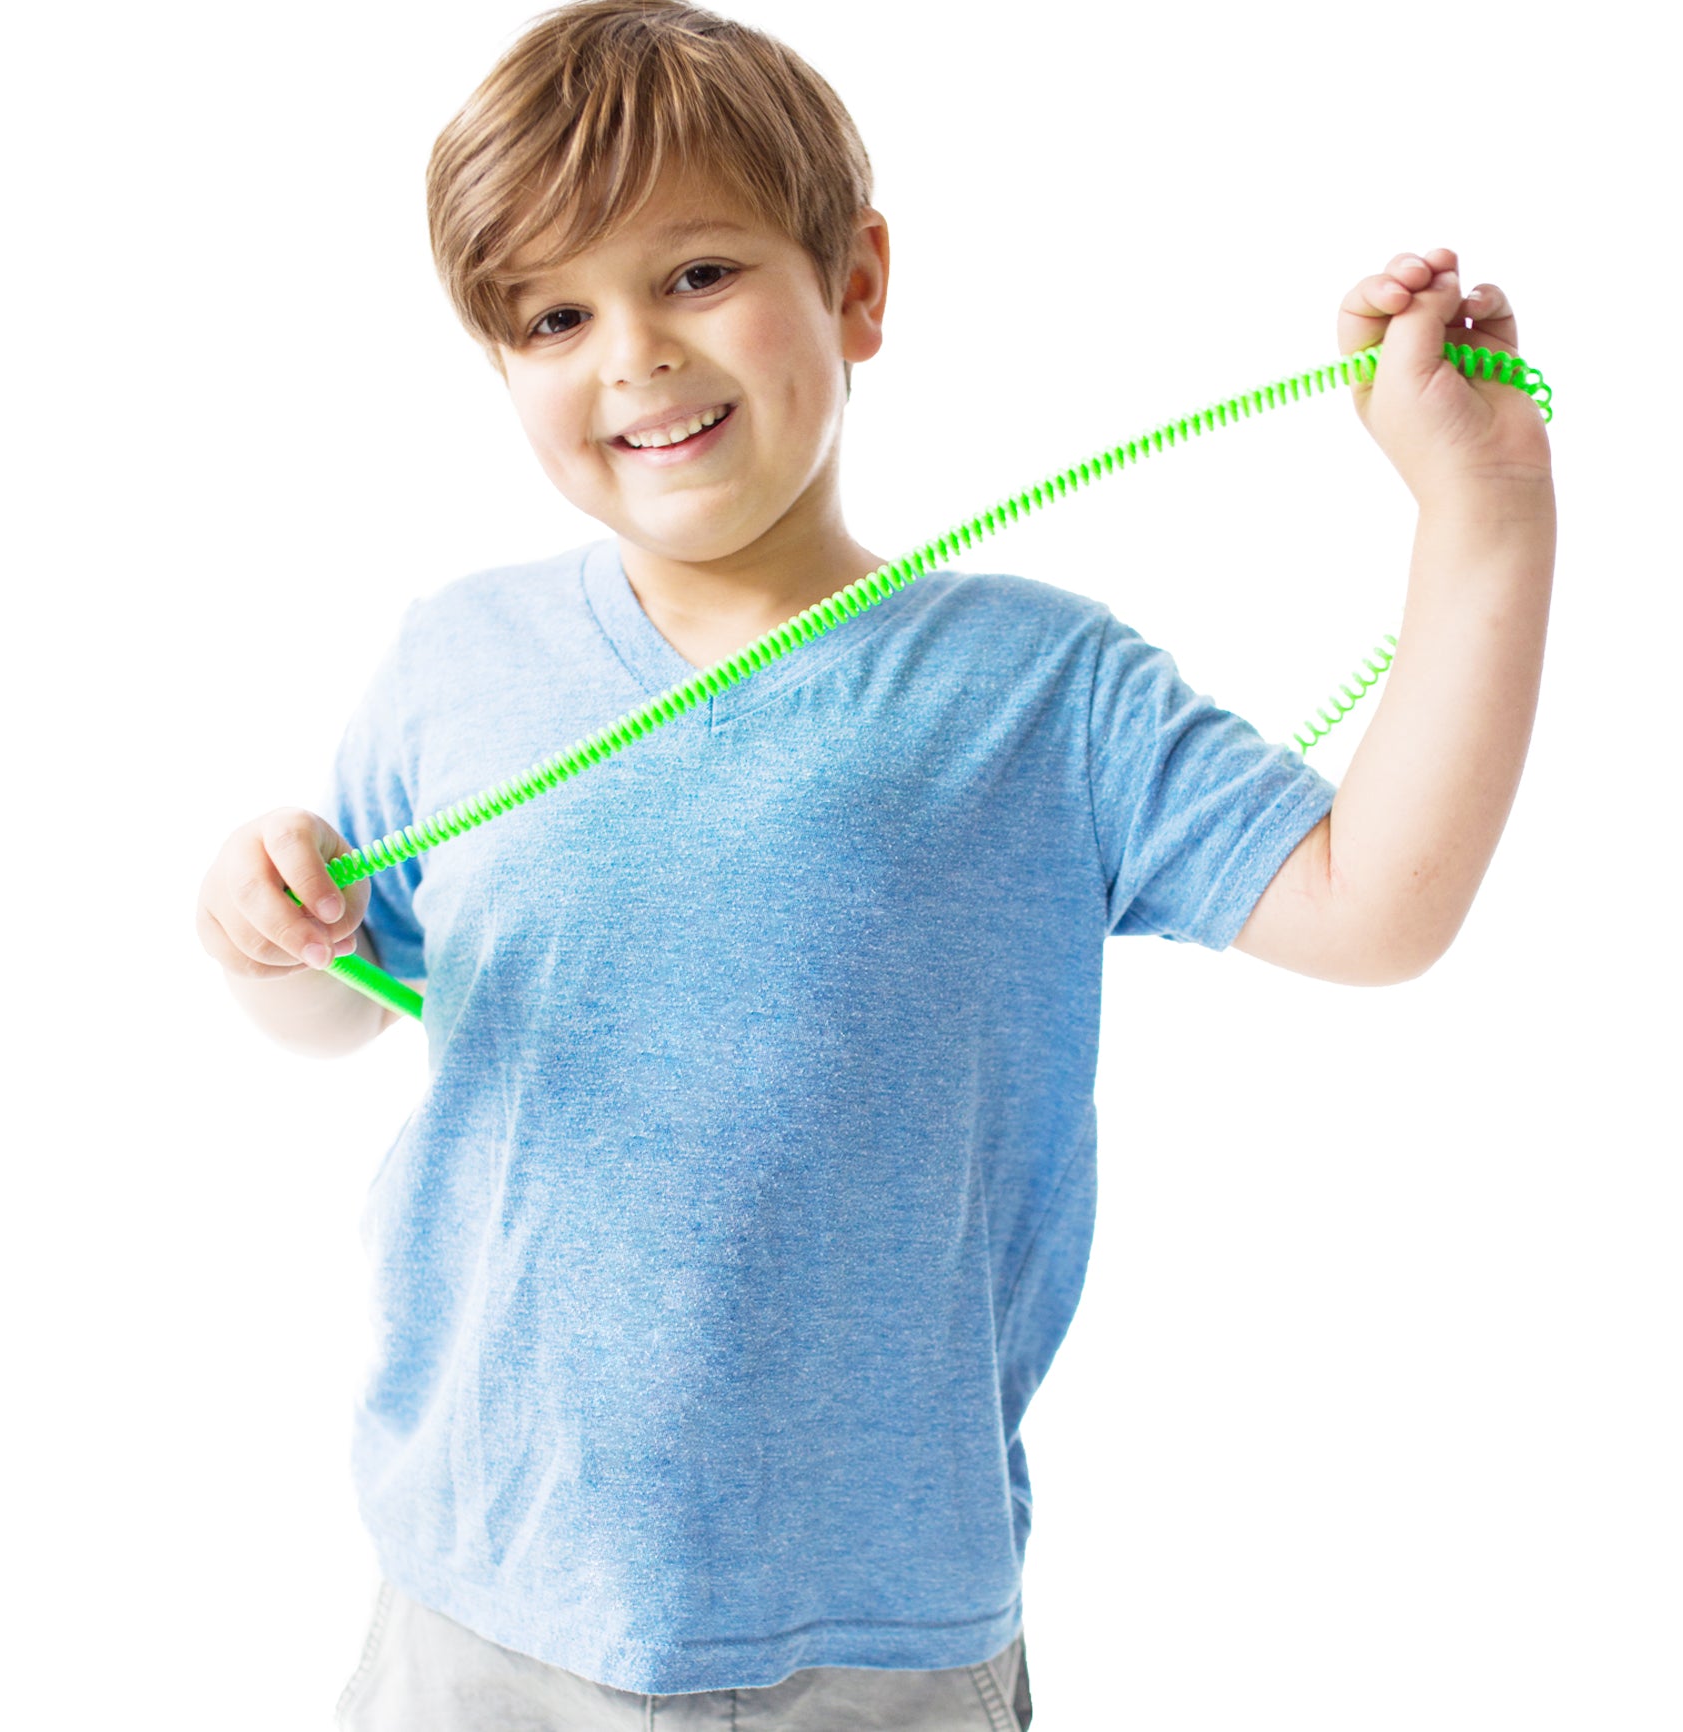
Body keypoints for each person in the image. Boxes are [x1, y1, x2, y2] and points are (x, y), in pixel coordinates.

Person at [193, 2, 1557, 1726]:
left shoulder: (1043, 690)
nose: (634, 354)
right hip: (480, 1607)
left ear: (856, 284)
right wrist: (270, 942)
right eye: (555, 313)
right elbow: (360, 1000)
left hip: (880, 1650)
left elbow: (1384, 908)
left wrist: (1486, 509)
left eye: (694, 275)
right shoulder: (453, 660)